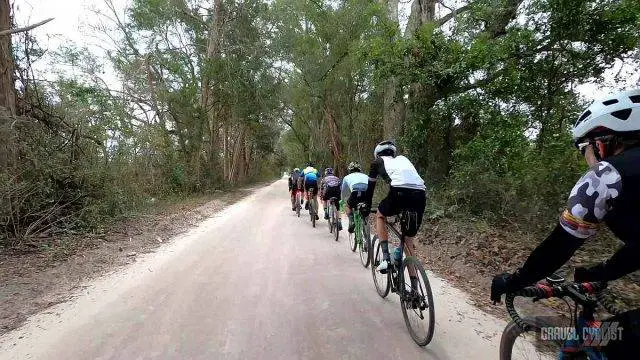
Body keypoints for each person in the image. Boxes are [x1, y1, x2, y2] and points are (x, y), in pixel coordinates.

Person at [490, 89, 640, 359]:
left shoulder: (608, 174)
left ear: (601, 142)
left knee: (606, 338)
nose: (585, 157)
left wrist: (514, 280)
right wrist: (605, 270)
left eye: (584, 148)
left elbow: (559, 246)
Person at [366, 140, 427, 292]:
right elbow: (408, 182)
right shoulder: (403, 160)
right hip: (420, 195)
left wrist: (366, 207)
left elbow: (370, 191)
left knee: (380, 214)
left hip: (399, 192)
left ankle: (386, 258)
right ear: (393, 153)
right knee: (408, 241)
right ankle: (415, 290)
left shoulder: (377, 162)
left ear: (377, 154)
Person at [341, 161, 369, 233]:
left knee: (347, 206)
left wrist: (343, 199)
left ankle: (351, 221)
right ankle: (365, 222)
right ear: (359, 169)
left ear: (350, 170)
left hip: (355, 193)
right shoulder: (366, 176)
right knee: (365, 206)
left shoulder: (347, 177)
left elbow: (344, 191)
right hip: (366, 193)